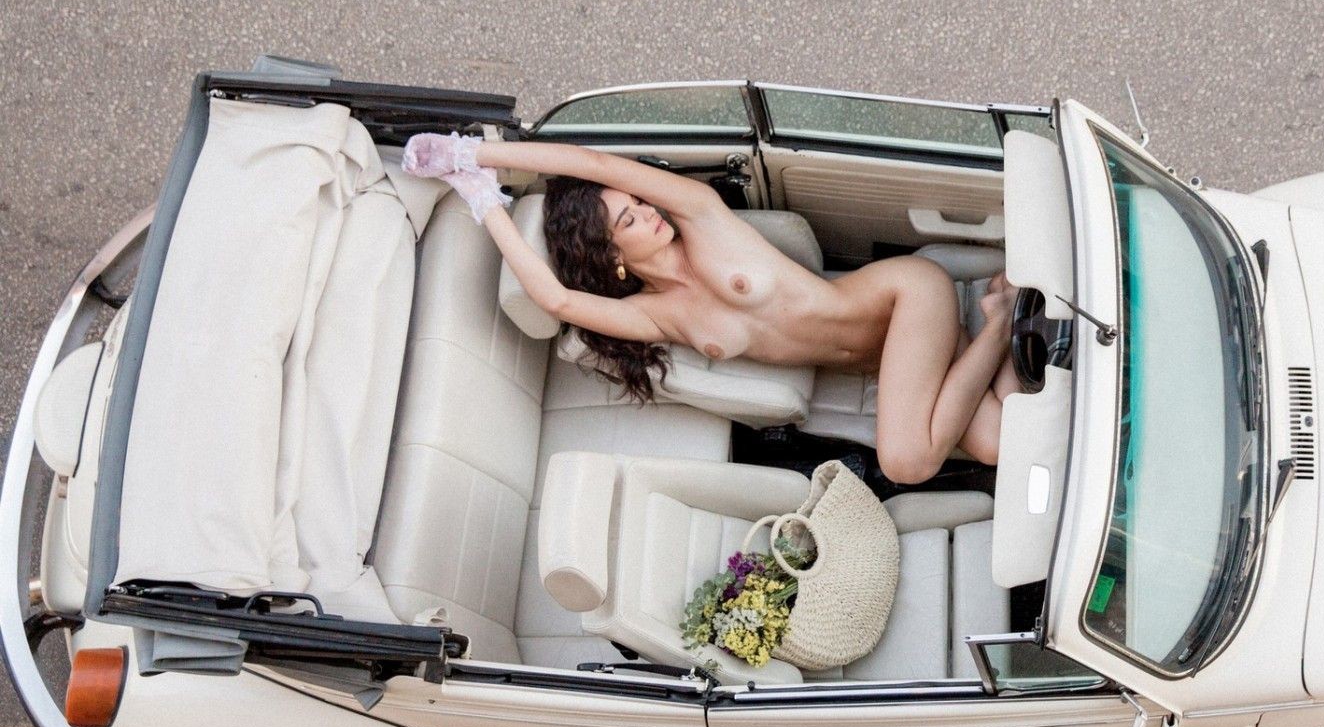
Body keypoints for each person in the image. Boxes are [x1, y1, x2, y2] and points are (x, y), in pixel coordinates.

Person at [403, 132, 1021, 484]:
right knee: (994, 444)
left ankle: (997, 325)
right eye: (629, 220)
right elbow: (555, 298)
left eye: (639, 203)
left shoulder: (700, 214)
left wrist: (479, 155)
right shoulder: (657, 316)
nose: (647, 212)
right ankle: (996, 326)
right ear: (612, 257)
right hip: (892, 356)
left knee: (907, 462)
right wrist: (483, 201)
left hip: (906, 297)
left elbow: (593, 164)